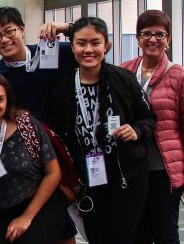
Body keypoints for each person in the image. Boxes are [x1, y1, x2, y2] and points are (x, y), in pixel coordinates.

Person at [46, 17, 157, 244]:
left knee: (121, 238)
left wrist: (136, 130)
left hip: (128, 177)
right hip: (89, 179)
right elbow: (54, 138)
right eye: (81, 43)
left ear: (106, 45)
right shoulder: (62, 89)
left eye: (95, 43)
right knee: (96, 237)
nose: (88, 50)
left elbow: (149, 118)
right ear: (72, 47)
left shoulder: (123, 79)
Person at [120, 10, 184, 244]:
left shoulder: (180, 75)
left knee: (165, 231)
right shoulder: (125, 71)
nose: (153, 39)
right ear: (137, 38)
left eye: (160, 34)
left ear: (169, 39)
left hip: (164, 170)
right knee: (138, 232)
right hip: (132, 167)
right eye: (146, 33)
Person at [0, 74, 66, 244]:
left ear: (7, 102)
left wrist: (26, 217)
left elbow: (53, 173)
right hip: (0, 209)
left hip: (40, 203)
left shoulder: (26, 125)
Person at [0, 6, 74, 122]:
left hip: (60, 135)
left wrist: (67, 28)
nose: (5, 39)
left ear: (22, 29)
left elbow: (89, 45)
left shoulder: (51, 53)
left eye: (9, 31)